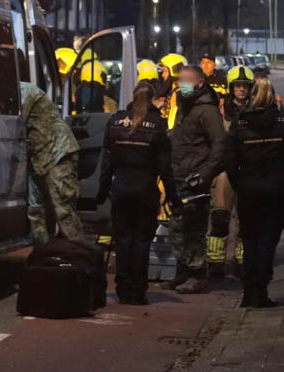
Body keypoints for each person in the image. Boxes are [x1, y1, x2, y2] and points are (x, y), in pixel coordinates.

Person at [97, 82, 182, 305]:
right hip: (145, 189)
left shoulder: (115, 121)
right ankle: (137, 290)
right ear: (153, 98)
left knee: (123, 240)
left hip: (121, 188)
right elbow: (165, 167)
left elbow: (106, 163)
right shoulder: (158, 124)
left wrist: (102, 192)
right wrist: (173, 198)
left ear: (132, 97)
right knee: (142, 242)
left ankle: (123, 289)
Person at [225, 79, 284, 307]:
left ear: (252, 96)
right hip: (277, 187)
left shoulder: (239, 123)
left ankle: (249, 294)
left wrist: (238, 182)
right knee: (268, 241)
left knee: (249, 241)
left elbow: (229, 159)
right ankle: (261, 290)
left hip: (248, 187)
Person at [162, 65, 226, 293]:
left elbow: (220, 144)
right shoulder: (183, 106)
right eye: (180, 81)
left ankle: (198, 273)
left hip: (195, 180)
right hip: (178, 176)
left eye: (187, 81)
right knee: (178, 227)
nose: (182, 85)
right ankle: (183, 271)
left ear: (200, 83)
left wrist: (206, 174)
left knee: (195, 228)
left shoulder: (206, 111)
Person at [20, 81, 86, 244]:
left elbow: (16, 121)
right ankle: (43, 249)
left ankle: (77, 252)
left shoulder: (25, 92)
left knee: (63, 207)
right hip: (38, 156)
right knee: (35, 207)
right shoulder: (19, 93)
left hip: (57, 151)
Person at [205, 65, 256, 279]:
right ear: (231, 87)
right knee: (219, 217)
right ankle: (215, 262)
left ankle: (242, 261)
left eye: (245, 86)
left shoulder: (257, 111)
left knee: (246, 220)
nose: (242, 89)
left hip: (247, 170)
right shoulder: (220, 110)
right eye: (238, 86)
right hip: (224, 172)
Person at [158, 53, 188, 128]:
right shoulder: (174, 90)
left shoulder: (178, 93)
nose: (163, 75)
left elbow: (171, 125)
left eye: (165, 71)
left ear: (175, 71)